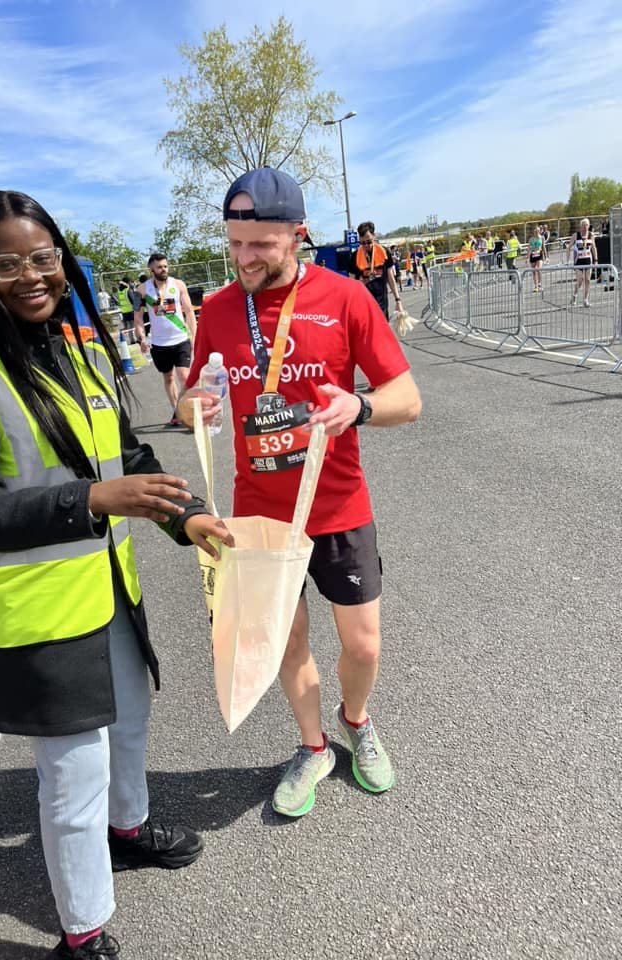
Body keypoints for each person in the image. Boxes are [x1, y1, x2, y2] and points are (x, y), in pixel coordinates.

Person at [0, 190, 233, 960]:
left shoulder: (86, 351)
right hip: (36, 615)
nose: (29, 275)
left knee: (131, 723)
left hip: (109, 594)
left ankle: (127, 830)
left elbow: (130, 460)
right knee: (70, 779)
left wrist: (185, 516)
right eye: (6, 262)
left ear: (62, 259)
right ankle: (83, 929)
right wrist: (91, 499)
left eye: (42, 257)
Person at [177, 168, 422, 818]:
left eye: (260, 244)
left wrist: (360, 406)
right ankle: (312, 746)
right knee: (286, 644)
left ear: (298, 234)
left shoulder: (345, 298)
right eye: (235, 243)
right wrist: (194, 404)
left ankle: (357, 722)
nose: (244, 258)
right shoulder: (220, 310)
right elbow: (195, 392)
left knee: (363, 643)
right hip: (260, 513)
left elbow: (408, 398)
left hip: (339, 504)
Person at [141, 253, 197, 427]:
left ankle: (190, 413)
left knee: (184, 376)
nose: (163, 269)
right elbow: (137, 319)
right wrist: (142, 338)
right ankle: (176, 410)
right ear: (151, 270)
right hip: (159, 343)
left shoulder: (178, 285)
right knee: (169, 378)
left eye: (165, 266)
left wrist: (194, 336)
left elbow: (189, 311)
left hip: (180, 339)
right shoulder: (142, 290)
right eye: (159, 267)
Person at [351, 220, 403, 320]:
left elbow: (390, 278)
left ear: (374, 236)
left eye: (369, 241)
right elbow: (352, 283)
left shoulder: (384, 252)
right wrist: (361, 282)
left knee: (383, 334)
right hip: (364, 304)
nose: (366, 245)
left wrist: (398, 300)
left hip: (381, 303)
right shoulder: (354, 257)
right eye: (362, 243)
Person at [569, 217, 597, 307]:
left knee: (588, 280)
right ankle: (574, 295)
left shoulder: (591, 235)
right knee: (580, 280)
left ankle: (586, 299)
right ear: (580, 226)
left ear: (588, 226)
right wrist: (568, 259)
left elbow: (593, 247)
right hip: (578, 261)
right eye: (583, 225)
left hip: (588, 260)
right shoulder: (576, 235)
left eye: (586, 225)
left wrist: (596, 260)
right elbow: (569, 247)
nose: (585, 227)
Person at [528, 226, 544, 293]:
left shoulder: (542, 237)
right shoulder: (531, 239)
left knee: (539, 269)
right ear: (534, 232)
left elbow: (543, 247)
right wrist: (527, 258)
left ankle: (540, 285)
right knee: (534, 271)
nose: (537, 232)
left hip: (539, 254)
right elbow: (529, 248)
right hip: (533, 255)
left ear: (539, 231)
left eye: (538, 231)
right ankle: (536, 286)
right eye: (535, 231)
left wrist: (546, 256)